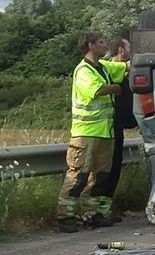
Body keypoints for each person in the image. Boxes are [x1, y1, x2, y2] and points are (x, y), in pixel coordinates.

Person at [57, 32, 129, 233]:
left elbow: (124, 67)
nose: (105, 46)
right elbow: (98, 90)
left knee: (99, 177)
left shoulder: (103, 67)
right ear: (90, 46)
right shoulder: (83, 71)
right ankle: (65, 217)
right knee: (78, 176)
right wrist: (116, 88)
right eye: (101, 43)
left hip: (104, 133)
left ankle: (92, 214)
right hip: (86, 133)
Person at [90, 38, 136, 222]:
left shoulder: (114, 69)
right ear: (121, 50)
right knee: (105, 171)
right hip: (103, 128)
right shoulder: (106, 69)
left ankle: (105, 210)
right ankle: (97, 211)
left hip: (114, 128)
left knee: (113, 168)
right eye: (129, 48)